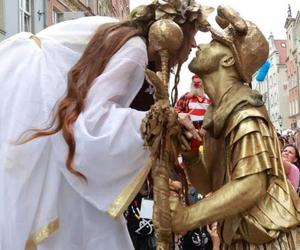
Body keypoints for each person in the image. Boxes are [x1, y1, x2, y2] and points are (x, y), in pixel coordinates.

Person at [0, 1, 212, 249]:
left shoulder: (122, 35)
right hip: (43, 112)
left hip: (39, 106)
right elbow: (93, 125)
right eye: (191, 36)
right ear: (171, 32)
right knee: (88, 226)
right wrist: (159, 122)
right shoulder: (135, 50)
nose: (194, 45)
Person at [170, 5, 300, 249]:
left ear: (229, 59)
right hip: (241, 237)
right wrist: (191, 156)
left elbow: (250, 185)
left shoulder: (245, 114)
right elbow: (210, 186)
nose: (202, 45)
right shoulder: (219, 114)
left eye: (214, 43)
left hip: (265, 238)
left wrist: (187, 216)